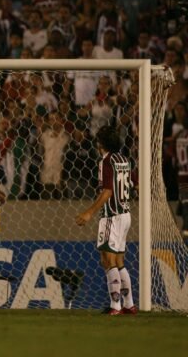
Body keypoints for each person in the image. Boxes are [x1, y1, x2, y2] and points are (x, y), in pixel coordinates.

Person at [75, 125, 137, 315]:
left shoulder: (106, 161)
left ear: (100, 143)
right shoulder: (124, 159)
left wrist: (89, 212)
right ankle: (129, 305)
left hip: (112, 215)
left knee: (107, 259)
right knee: (119, 261)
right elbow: (134, 181)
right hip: (125, 214)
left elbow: (108, 191)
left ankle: (115, 306)